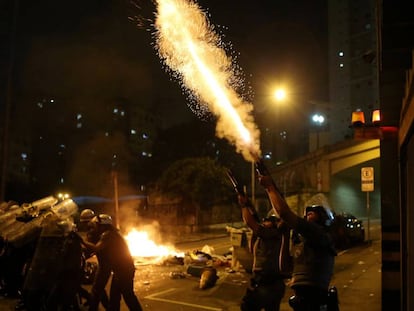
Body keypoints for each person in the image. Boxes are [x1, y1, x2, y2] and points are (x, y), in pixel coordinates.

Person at [258, 173, 337, 311]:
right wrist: (285, 235)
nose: (307, 215)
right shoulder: (304, 241)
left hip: (315, 301)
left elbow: (284, 213)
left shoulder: (318, 233)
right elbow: (285, 269)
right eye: (307, 213)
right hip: (303, 300)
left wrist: (270, 187)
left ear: (322, 217)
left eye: (313, 213)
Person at [238, 193, 292, 311]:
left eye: (267, 221)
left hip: (266, 282)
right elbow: (253, 249)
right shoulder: (273, 235)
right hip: (275, 284)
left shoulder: (271, 234)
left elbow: (250, 222)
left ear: (274, 223)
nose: (264, 222)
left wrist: (243, 205)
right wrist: (249, 205)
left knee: (247, 306)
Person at [78, 214, 142, 311]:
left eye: (97, 224)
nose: (95, 227)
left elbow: (97, 248)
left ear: (102, 225)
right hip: (120, 270)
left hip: (124, 271)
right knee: (114, 297)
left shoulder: (108, 235)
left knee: (128, 296)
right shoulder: (111, 233)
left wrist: (81, 241)